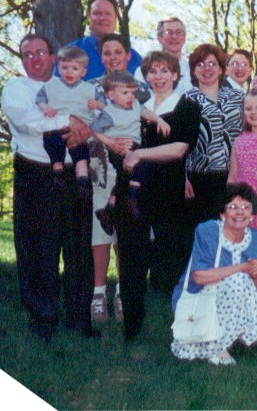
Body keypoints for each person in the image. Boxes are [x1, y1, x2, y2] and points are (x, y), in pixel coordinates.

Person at [2, 34, 98, 341]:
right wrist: (69, 120)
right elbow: (25, 121)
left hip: (75, 175)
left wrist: (84, 129)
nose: (35, 59)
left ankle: (79, 319)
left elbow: (97, 118)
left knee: (78, 248)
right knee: (36, 249)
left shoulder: (71, 85)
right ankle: (42, 318)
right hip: (35, 174)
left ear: (53, 57)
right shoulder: (17, 87)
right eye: (27, 54)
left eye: (40, 52)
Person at [88, 32, 151, 324]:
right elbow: (84, 125)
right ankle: (99, 293)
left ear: (128, 56)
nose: (112, 57)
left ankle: (122, 293)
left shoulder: (141, 90)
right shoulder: (90, 89)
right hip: (102, 170)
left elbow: (148, 117)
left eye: (118, 52)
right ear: (100, 57)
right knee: (101, 230)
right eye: (107, 53)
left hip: (132, 170)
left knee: (125, 233)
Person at [170, 183, 257, 364]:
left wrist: (256, 274)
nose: (239, 212)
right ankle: (217, 347)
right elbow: (199, 277)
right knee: (237, 278)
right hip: (198, 297)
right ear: (222, 214)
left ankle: (226, 335)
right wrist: (242, 268)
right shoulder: (208, 231)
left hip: (232, 299)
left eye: (246, 207)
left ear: (253, 215)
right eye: (232, 207)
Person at [128, 51, 202, 294]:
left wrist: (140, 155)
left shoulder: (186, 106)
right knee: (138, 239)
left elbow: (179, 149)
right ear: (146, 76)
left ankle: (170, 294)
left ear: (175, 75)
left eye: (164, 71)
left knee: (170, 238)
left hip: (170, 183)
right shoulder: (138, 108)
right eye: (152, 71)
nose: (158, 76)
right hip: (138, 182)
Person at [90, 71, 170, 222]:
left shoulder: (134, 105)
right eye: (125, 93)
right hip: (119, 147)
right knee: (140, 164)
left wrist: (159, 120)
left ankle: (109, 208)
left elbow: (146, 112)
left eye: (133, 93)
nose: (131, 97)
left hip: (134, 146)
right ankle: (132, 198)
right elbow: (94, 129)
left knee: (125, 175)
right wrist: (110, 142)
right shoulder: (109, 113)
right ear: (111, 95)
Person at [185, 43, 244, 227]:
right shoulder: (188, 100)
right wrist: (183, 178)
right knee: (206, 231)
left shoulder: (238, 98)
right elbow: (180, 142)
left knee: (233, 228)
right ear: (194, 71)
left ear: (221, 69)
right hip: (200, 178)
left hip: (234, 175)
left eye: (212, 64)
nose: (206, 69)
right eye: (200, 64)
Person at [36, 45, 99, 189]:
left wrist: (95, 104)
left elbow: (102, 106)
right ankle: (58, 174)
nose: (69, 71)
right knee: (54, 145)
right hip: (57, 127)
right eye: (65, 67)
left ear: (83, 72)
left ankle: (82, 180)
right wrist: (45, 107)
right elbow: (40, 99)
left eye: (75, 69)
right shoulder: (50, 86)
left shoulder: (90, 89)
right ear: (58, 68)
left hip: (80, 131)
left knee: (81, 155)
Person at [227, 88, 257, 230]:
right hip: (243, 201)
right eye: (248, 108)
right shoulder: (239, 141)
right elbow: (233, 176)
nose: (253, 112)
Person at [64, 0, 142, 80]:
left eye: (108, 13)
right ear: (88, 16)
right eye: (97, 13)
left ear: (116, 17)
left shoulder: (135, 58)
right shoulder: (70, 54)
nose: (102, 18)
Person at [135, 17, 192, 94]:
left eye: (178, 32)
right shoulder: (145, 69)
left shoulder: (192, 69)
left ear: (184, 38)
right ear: (159, 38)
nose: (174, 37)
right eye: (169, 32)